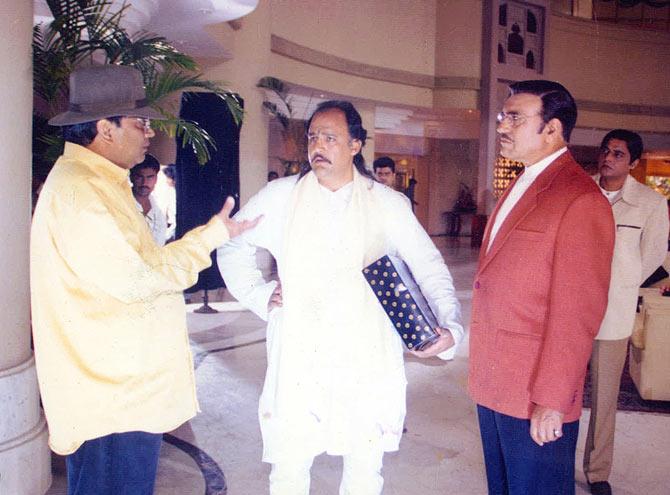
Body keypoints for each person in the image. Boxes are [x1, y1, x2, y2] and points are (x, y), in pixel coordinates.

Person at [30, 64, 258, 495]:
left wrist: (210, 235)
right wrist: (208, 238)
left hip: (117, 389)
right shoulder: (81, 192)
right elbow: (139, 281)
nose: (150, 133)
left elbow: (141, 267)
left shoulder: (99, 183)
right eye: (142, 123)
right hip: (112, 396)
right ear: (105, 128)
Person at [217, 100, 463, 495]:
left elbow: (429, 266)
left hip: (365, 355)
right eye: (313, 137)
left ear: (355, 145)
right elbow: (233, 247)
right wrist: (260, 296)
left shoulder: (386, 203)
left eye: (330, 138)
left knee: (364, 469)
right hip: (301, 353)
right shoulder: (281, 196)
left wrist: (449, 325)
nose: (318, 146)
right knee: (289, 468)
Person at [468, 80, 615, 495]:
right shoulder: (524, 181)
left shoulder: (580, 199)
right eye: (502, 116)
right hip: (496, 378)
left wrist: (552, 399)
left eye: (515, 117)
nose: (502, 126)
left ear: (551, 129)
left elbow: (577, 313)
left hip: (535, 390)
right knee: (504, 487)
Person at [583, 129, 669, 495]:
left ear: (633, 163)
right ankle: (550, 465)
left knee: (604, 397)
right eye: (606, 150)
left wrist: (622, 285)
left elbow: (652, 256)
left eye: (618, 153)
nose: (608, 157)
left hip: (613, 313)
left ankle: (597, 472)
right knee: (560, 392)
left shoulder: (649, 203)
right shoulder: (580, 192)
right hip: (570, 308)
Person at [130, 153, 168, 246]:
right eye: (139, 177)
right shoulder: (121, 202)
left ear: (156, 179)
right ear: (131, 177)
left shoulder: (159, 209)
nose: (144, 182)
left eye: (150, 177)